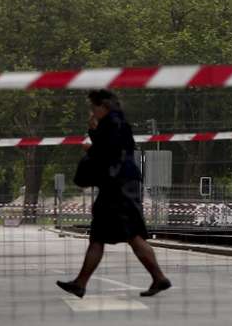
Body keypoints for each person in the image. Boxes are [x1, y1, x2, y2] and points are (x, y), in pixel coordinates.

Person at [57, 89, 172, 298]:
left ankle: (81, 283)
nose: (91, 112)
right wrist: (94, 133)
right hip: (121, 184)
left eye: (93, 107)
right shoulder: (116, 123)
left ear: (104, 106)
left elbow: (108, 152)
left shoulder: (113, 123)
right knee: (123, 234)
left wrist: (91, 140)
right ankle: (157, 277)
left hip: (117, 185)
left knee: (114, 235)